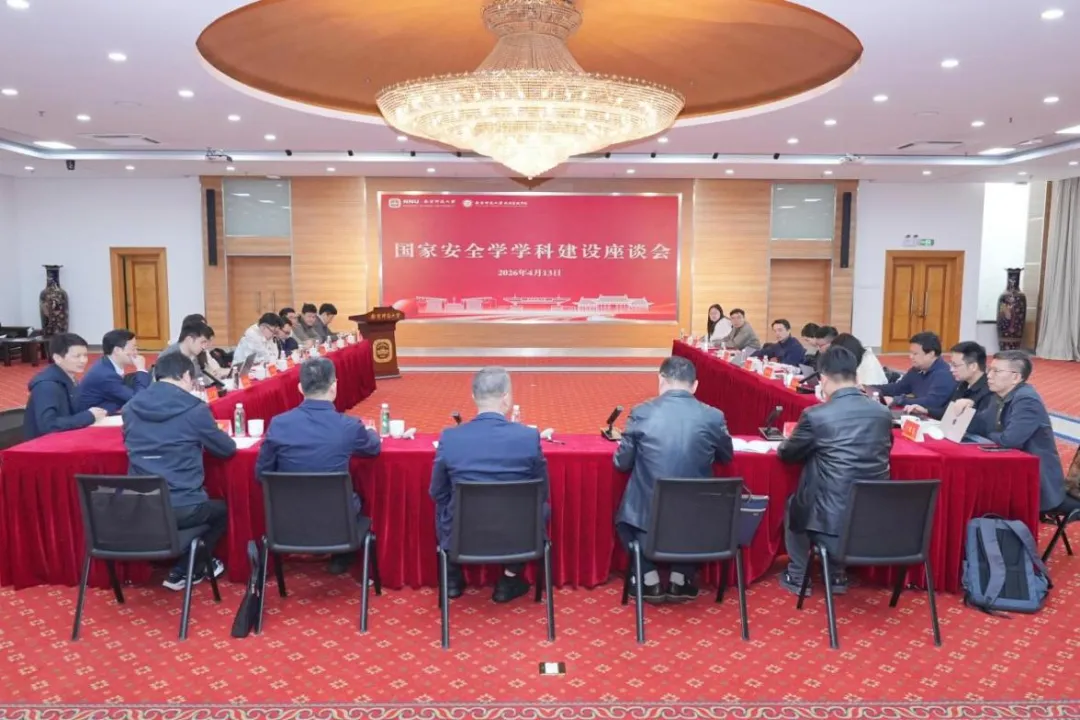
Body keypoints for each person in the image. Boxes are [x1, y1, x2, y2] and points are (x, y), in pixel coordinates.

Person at [614, 355, 734, 602]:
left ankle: (648, 579)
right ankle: (681, 579)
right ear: (695, 385)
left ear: (661, 380)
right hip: (696, 519)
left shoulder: (642, 412)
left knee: (627, 516)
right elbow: (726, 456)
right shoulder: (714, 416)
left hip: (646, 520)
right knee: (690, 507)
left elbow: (621, 462)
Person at [777, 346, 893, 595]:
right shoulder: (883, 413)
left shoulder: (816, 415)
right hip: (872, 513)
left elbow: (788, 454)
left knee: (796, 502)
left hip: (829, 517)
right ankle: (836, 574)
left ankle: (798, 575)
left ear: (823, 379)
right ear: (856, 376)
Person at [430, 367, 549, 603]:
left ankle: (451, 578)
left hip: (463, 529)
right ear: (506, 398)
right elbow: (542, 491)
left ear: (474, 397)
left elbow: (437, 491)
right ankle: (509, 578)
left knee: (444, 507)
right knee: (539, 509)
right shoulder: (528, 437)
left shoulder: (451, 437)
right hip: (517, 531)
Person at [122, 351, 237, 590]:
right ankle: (186, 568)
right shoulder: (194, 409)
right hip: (183, 505)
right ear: (185, 375)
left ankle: (191, 564)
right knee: (224, 511)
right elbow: (226, 450)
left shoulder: (131, 407)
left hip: (141, 503)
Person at [256, 357, 382, 573]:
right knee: (357, 498)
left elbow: (261, 474)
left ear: (300, 388)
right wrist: (371, 432)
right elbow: (373, 448)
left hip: (287, 519)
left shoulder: (278, 424)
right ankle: (342, 555)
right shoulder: (349, 426)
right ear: (334, 387)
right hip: (337, 520)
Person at [974, 350, 1080, 517]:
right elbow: (981, 423)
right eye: (989, 369)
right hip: (1014, 471)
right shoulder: (999, 395)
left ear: (1016, 377)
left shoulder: (1026, 400)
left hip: (1038, 482)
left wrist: (987, 432)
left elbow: (1009, 441)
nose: (989, 375)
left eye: (996, 371)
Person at [24, 333, 107, 440]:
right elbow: (48, 425)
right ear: (57, 358)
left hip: (66, 437)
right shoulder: (47, 386)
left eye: (85, 355)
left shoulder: (70, 378)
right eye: (77, 356)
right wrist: (88, 416)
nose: (83, 360)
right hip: (44, 444)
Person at [906, 341, 993, 430]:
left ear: (973, 366)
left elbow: (984, 427)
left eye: (955, 365)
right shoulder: (963, 384)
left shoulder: (989, 390)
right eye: (951, 365)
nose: (951, 369)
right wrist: (925, 411)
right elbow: (948, 412)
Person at [870, 332, 956, 416]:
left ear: (931, 354)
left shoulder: (944, 375)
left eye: (915, 354)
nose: (911, 357)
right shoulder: (917, 369)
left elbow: (931, 402)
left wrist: (896, 400)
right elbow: (898, 388)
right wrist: (869, 388)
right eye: (910, 353)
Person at [77, 329, 151, 414]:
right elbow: (139, 400)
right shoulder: (106, 375)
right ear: (117, 350)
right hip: (93, 416)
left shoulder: (106, 363)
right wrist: (141, 368)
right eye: (133, 348)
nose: (136, 352)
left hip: (106, 405)